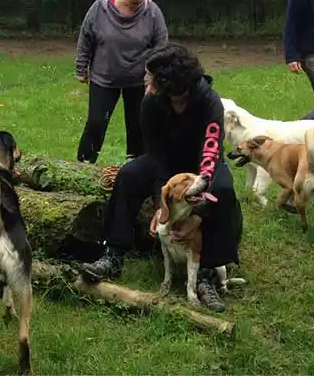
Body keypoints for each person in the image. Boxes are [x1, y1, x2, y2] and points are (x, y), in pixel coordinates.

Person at [80, 42, 243, 312]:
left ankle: (208, 274)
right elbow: (155, 156)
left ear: (171, 79)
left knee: (223, 190)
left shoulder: (209, 101)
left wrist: (199, 211)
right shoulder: (151, 103)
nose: (146, 80)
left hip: (203, 164)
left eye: (152, 76)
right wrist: (161, 204)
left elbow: (212, 150)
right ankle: (113, 254)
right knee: (128, 175)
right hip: (165, 162)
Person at [74, 0, 168, 164]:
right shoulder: (101, 7)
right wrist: (81, 68)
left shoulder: (151, 12)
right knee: (96, 123)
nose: (138, 1)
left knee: (138, 127)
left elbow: (161, 44)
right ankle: (83, 165)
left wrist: (155, 75)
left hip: (138, 81)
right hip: (104, 78)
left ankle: (136, 168)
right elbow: (86, 36)